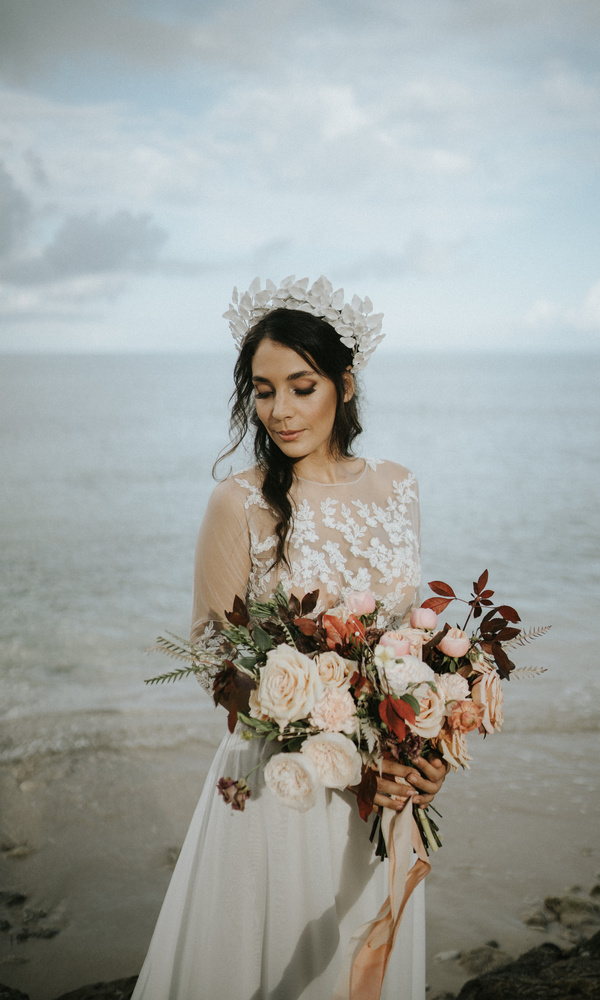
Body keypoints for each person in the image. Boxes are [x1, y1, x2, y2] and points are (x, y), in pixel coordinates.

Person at [131, 276, 447, 1000]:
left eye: (301, 387)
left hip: (384, 789)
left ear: (344, 383)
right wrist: (331, 747)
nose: (279, 410)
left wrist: (426, 755)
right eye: (264, 390)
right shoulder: (236, 501)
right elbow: (215, 659)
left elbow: (407, 645)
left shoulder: (399, 486)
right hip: (284, 784)